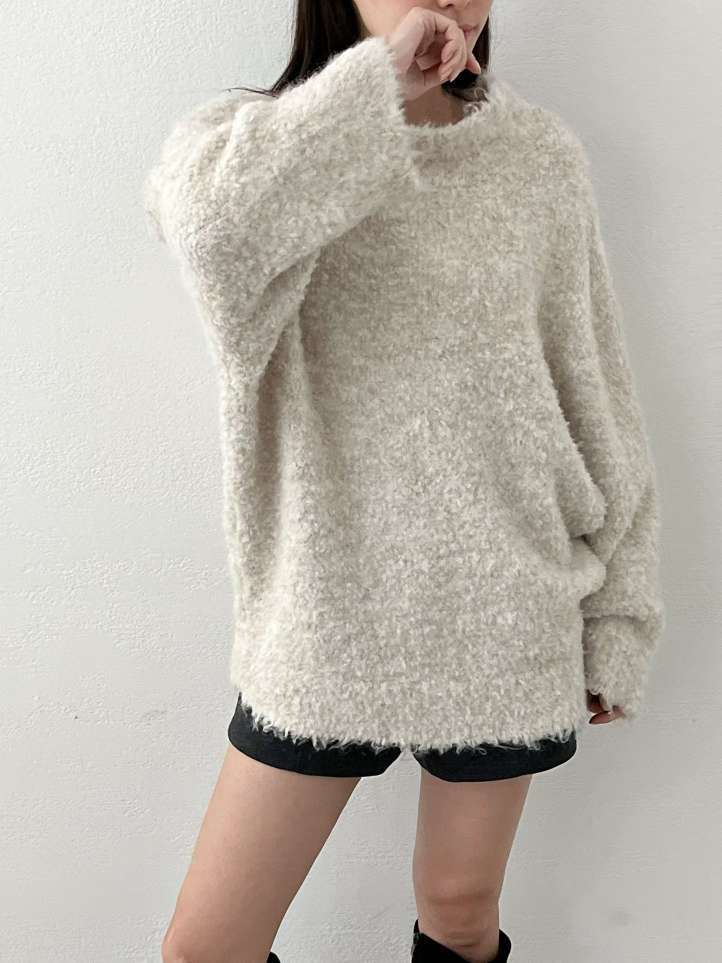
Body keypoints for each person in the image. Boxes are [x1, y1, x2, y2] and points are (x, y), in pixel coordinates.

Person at [142, 3, 666, 962]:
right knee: (207, 944)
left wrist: (620, 614)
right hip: (326, 612)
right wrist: (377, 85)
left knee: (460, 913)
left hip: (505, 606)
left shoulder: (537, 159)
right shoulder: (241, 145)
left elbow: (593, 385)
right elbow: (215, 239)